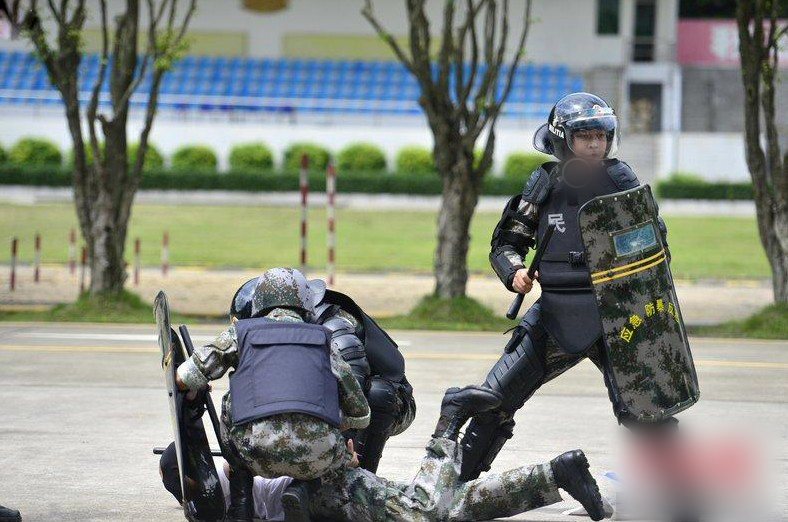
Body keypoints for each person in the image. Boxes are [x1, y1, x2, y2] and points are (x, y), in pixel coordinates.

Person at [461, 92, 684, 483]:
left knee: (646, 409)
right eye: (585, 136)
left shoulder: (620, 179)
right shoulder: (543, 182)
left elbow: (655, 244)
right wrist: (515, 273)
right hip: (555, 313)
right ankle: (450, 486)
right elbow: (507, 245)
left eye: (601, 135)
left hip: (617, 313)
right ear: (564, 139)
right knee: (493, 400)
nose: (595, 144)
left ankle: (682, 494)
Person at [161, 385, 606, 522]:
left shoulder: (212, 497)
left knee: (426, 511)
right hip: (327, 489)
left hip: (331, 493)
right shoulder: (221, 476)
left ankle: (449, 422)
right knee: (446, 509)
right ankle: (554, 474)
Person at [175, 267, 370, 521]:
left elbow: (184, 376)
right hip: (319, 458)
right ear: (305, 302)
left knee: (231, 401)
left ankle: (241, 504)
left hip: (253, 453)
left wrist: (193, 388)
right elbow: (361, 413)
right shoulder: (325, 340)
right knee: (329, 419)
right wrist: (326, 422)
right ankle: (302, 494)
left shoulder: (241, 333)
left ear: (258, 301)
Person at [230, 276, 416, 474]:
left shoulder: (331, 323)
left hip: (389, 402)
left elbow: (354, 384)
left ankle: (360, 480)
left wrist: (339, 446)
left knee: (378, 394)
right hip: (333, 396)